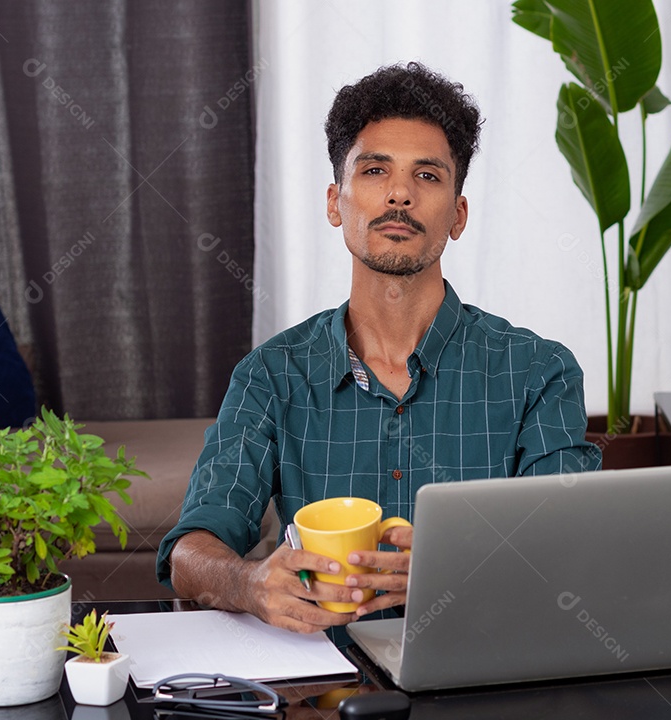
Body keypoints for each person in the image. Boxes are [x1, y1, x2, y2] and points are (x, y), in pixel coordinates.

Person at [157, 62, 599, 634]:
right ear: (335, 203)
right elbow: (190, 550)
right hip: (326, 687)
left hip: (484, 671)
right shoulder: (270, 376)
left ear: (458, 216)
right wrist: (248, 584)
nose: (399, 194)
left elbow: (568, 549)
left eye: (428, 177)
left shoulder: (540, 372)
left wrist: (453, 570)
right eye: (374, 170)